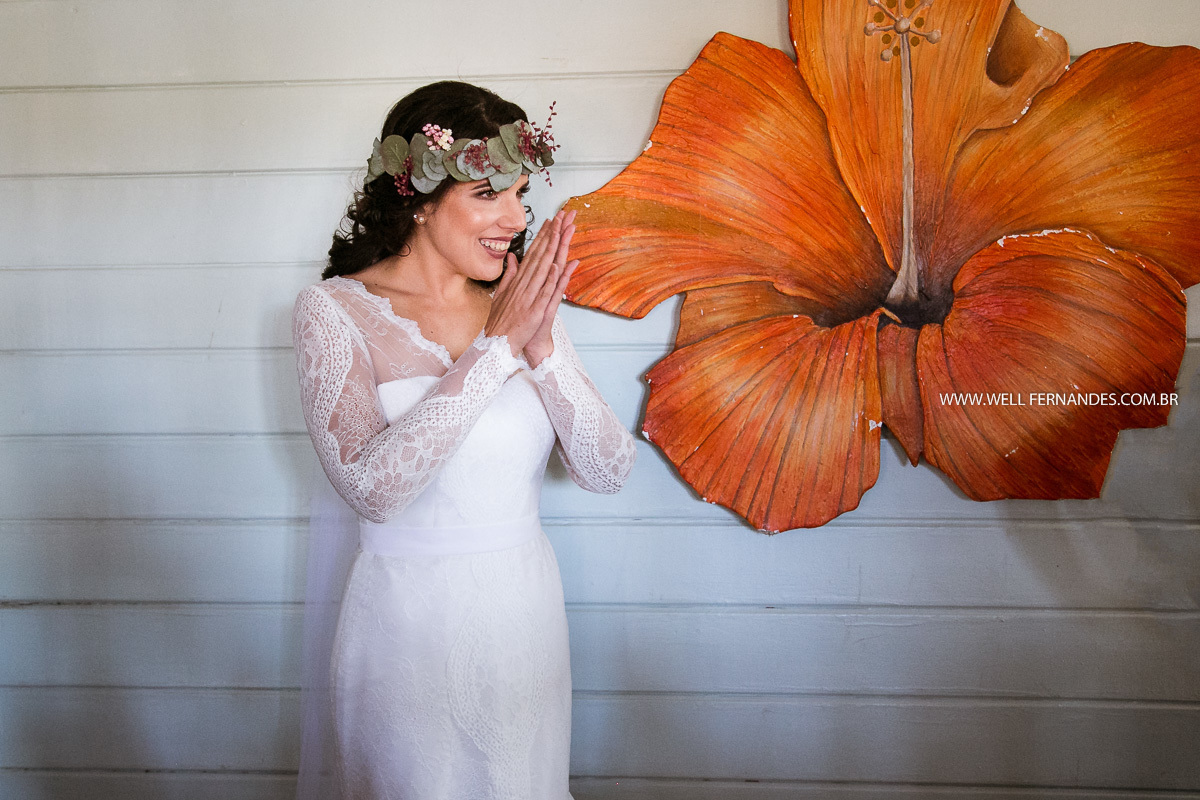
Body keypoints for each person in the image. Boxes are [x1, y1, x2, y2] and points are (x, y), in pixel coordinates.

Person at [290, 81, 637, 799]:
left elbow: (607, 469)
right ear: (418, 198)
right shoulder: (333, 311)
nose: (515, 218)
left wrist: (538, 348)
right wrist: (499, 350)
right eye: (487, 194)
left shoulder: (517, 305)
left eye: (518, 193)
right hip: (408, 630)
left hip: (524, 618)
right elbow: (372, 490)